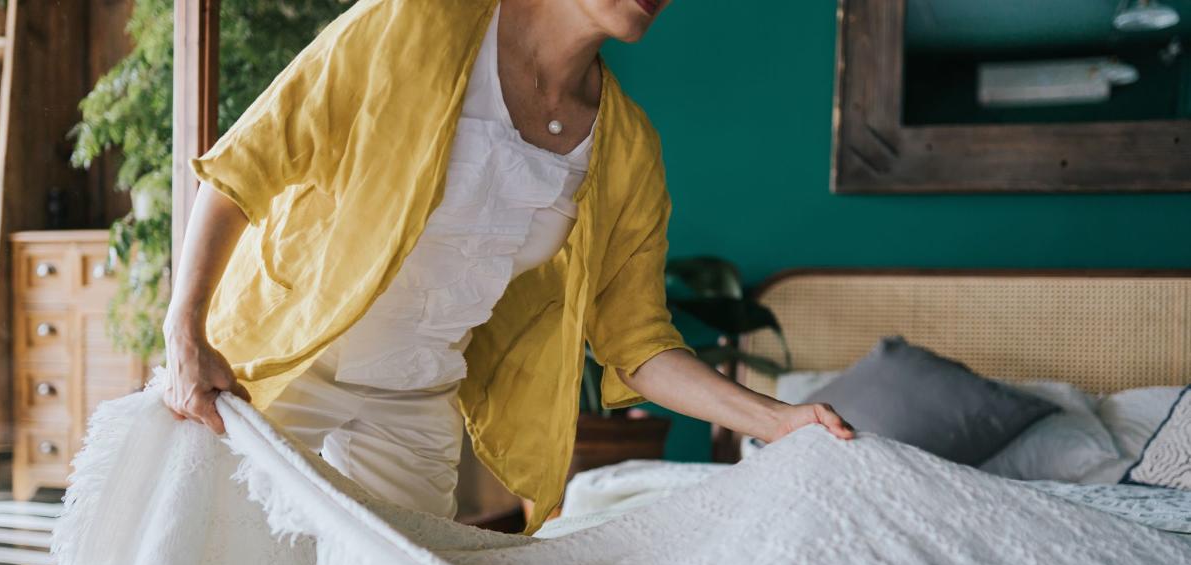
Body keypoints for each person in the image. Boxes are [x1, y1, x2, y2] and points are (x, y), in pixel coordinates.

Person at [162, 0, 852, 531]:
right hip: (280, 366)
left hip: (413, 402)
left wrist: (778, 422)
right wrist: (186, 330)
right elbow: (243, 167)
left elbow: (637, 343)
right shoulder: (416, 21)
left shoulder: (628, 148)